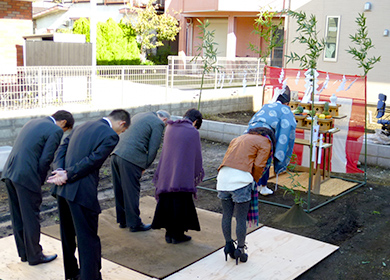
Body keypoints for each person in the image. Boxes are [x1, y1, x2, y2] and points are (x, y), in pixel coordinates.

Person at [47, 109, 130, 280]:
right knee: (88, 238)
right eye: (124, 130)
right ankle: (89, 277)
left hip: (62, 189)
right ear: (122, 123)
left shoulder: (82, 125)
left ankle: (71, 274)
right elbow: (94, 160)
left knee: (67, 234)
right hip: (81, 192)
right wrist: (68, 174)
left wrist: (61, 170)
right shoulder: (111, 136)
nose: (121, 133)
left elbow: (62, 147)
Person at [1, 110, 74, 265]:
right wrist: (40, 180)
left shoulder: (32, 122)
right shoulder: (55, 130)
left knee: (18, 215)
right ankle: (35, 256)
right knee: (31, 217)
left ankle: (25, 254)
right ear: (63, 123)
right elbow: (46, 158)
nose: (63, 132)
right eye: (65, 130)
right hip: (27, 176)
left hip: (10, 172)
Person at [216, 127, 273, 264]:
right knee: (241, 218)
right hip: (241, 181)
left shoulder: (237, 138)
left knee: (227, 214)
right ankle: (240, 250)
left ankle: (228, 245)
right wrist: (255, 180)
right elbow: (259, 165)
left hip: (223, 178)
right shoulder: (265, 142)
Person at [110, 110, 170, 232]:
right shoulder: (158, 123)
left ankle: (123, 221)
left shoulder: (140, 114)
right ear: (164, 120)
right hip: (130, 158)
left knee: (120, 189)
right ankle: (134, 224)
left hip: (115, 154)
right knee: (131, 191)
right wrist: (144, 166)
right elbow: (153, 148)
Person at [151, 108, 204, 244]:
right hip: (182, 177)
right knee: (180, 205)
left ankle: (169, 234)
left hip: (166, 174)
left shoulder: (170, 128)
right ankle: (178, 235)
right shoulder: (192, 132)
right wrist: (196, 172)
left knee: (167, 203)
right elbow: (196, 156)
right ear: (195, 121)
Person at [246, 85, 296, 196]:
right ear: (287, 103)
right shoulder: (285, 110)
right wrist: (279, 150)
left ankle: (250, 184)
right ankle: (262, 187)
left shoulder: (266, 106)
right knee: (264, 161)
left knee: (250, 159)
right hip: (264, 135)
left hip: (248, 133)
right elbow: (287, 130)